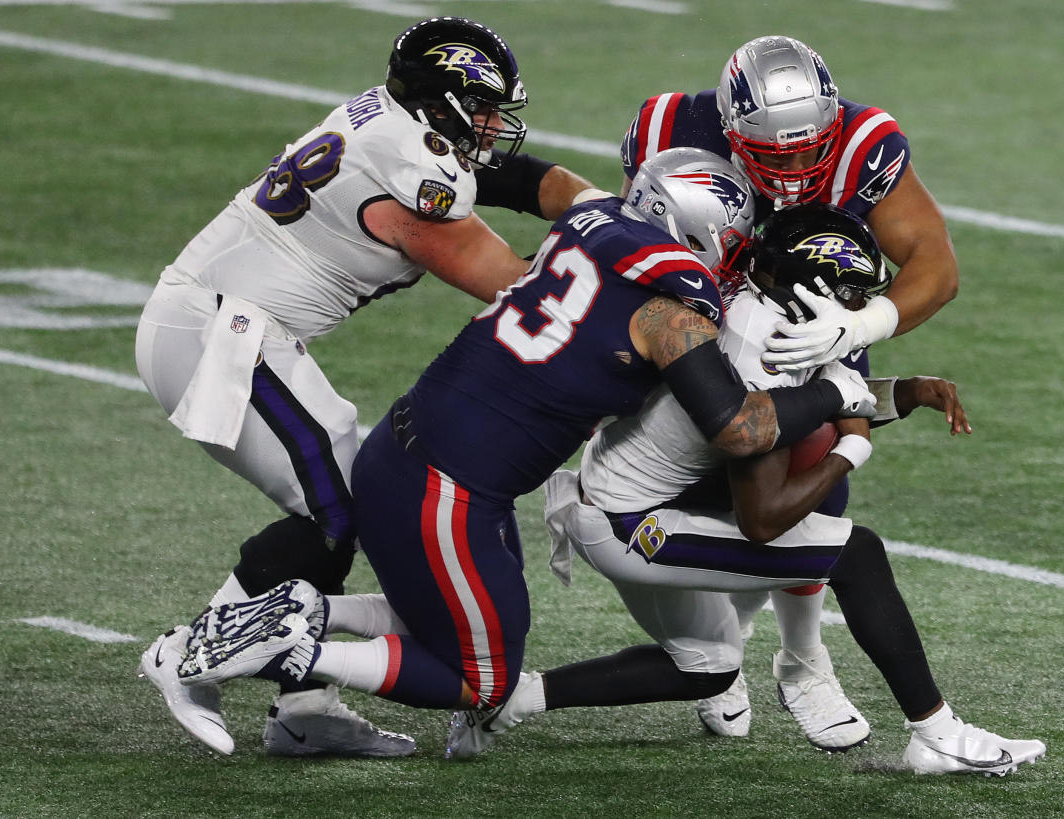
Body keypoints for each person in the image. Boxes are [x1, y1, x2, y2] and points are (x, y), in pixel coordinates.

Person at [169, 149, 881, 741]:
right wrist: (837, 395)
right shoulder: (670, 305)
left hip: (406, 446)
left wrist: (431, 169)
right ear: (691, 226)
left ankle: (292, 607)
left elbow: (523, 175)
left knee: (447, 621)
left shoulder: (592, 214)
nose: (732, 253)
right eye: (728, 234)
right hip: (451, 487)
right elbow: (737, 426)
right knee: (479, 680)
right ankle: (283, 650)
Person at [134, 16, 600, 758]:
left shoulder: (399, 130)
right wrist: (613, 263)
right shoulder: (413, 171)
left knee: (350, 502)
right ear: (439, 102)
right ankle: (192, 649)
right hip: (219, 330)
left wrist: (601, 210)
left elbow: (516, 177)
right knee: (341, 509)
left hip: (234, 323)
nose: (492, 126)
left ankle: (302, 710)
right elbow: (512, 284)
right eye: (480, 109)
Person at [444, 203, 1045, 777]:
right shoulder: (767, 351)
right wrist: (851, 451)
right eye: (853, 293)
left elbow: (826, 398)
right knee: (856, 554)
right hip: (636, 525)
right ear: (812, 288)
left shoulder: (755, 311)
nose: (861, 306)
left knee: (707, 668)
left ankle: (509, 701)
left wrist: (906, 393)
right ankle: (938, 736)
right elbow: (763, 517)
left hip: (617, 495)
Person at [620, 34, 961, 740]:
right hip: (698, 313)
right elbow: (637, 240)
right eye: (779, 155)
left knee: (811, 469)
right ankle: (713, 651)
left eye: (813, 151)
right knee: (679, 475)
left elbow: (934, 260)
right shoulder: (669, 129)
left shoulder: (863, 143)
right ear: (732, 130)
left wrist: (862, 321)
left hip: (808, 323)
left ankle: (802, 658)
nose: (799, 171)